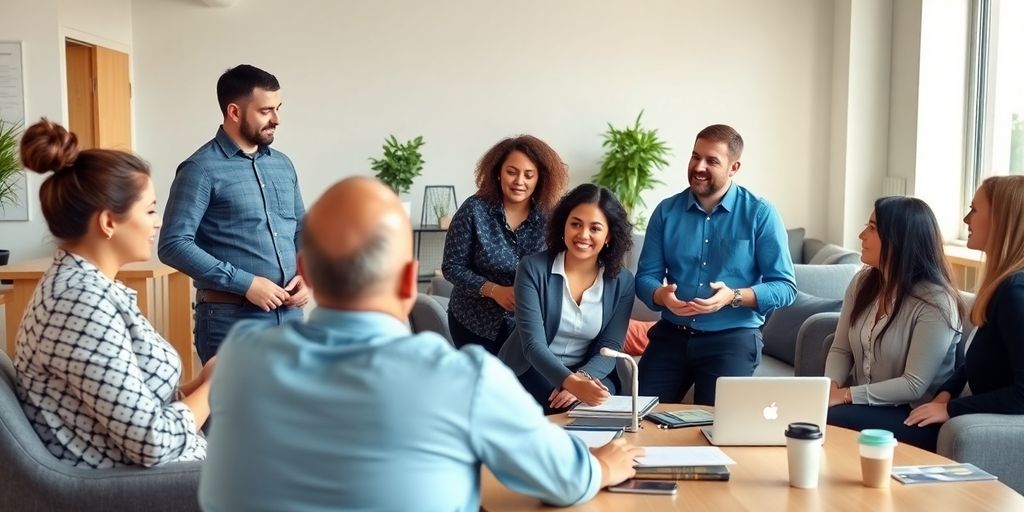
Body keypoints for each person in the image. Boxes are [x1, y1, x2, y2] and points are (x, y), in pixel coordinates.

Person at [198, 177, 643, 511]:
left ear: (305, 273)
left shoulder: (239, 357)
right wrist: (604, 465)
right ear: (410, 281)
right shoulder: (463, 379)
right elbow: (566, 480)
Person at [13, 119, 210, 468]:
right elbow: (153, 443)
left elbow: (133, 407)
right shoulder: (77, 303)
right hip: (154, 489)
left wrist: (204, 382)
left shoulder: (89, 289)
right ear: (108, 222)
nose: (158, 221)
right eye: (149, 210)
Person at [635, 124, 796, 405]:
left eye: (712, 161)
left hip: (732, 339)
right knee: (638, 418)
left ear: (733, 168)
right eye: (695, 156)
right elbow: (645, 277)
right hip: (671, 336)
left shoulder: (760, 213)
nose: (699, 166)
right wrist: (662, 296)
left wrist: (732, 297)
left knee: (719, 428)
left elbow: (785, 287)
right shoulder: (666, 211)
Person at [158, 64, 308, 364]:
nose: (276, 119)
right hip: (231, 320)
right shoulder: (199, 169)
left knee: (289, 411)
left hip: (290, 318)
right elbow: (173, 244)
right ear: (235, 112)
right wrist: (246, 283)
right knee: (234, 412)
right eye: (266, 111)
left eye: (278, 109)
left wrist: (308, 274)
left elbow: (301, 227)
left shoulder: (283, 164)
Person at [824, 197, 963, 451]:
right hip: (865, 405)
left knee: (826, 420)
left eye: (872, 228)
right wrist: (830, 387)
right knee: (808, 413)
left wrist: (845, 396)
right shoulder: (863, 283)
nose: (861, 235)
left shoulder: (936, 302)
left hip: (914, 415)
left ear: (899, 239)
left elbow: (913, 384)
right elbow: (840, 349)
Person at [499, 184, 635, 414]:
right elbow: (533, 345)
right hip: (532, 367)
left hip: (587, 370)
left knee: (605, 403)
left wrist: (582, 379)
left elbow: (610, 346)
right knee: (561, 407)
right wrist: (572, 384)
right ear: (563, 225)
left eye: (595, 228)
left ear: (609, 235)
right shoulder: (533, 268)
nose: (583, 235)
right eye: (576, 224)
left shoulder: (623, 281)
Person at [906, 176, 1024, 438]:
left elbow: (1023, 393)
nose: (965, 219)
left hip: (976, 427)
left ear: (1001, 219)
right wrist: (946, 394)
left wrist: (951, 409)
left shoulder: (1015, 292)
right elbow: (976, 362)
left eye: (974, 209)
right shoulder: (1002, 286)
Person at [441, 135, 568, 355]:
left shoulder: (551, 217)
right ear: (498, 172)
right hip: (474, 321)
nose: (519, 181)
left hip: (529, 325)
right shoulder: (474, 209)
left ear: (540, 179)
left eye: (529, 175)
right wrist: (493, 290)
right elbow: (451, 267)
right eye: (512, 172)